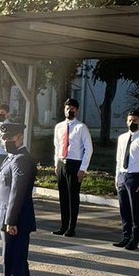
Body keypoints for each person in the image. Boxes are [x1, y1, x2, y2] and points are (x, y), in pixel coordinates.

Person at [0, 122, 37, 276]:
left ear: (19, 137)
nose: (6, 142)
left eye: (9, 138)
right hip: (8, 219)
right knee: (12, 262)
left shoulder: (21, 159)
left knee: (15, 264)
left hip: (15, 221)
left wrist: (11, 221)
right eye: (3, 139)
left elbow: (18, 193)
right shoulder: (13, 157)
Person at [113, 108, 139, 250]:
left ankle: (134, 239)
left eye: (135, 120)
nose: (132, 123)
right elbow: (119, 159)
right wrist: (117, 177)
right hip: (123, 176)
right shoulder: (122, 138)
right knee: (124, 209)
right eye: (130, 120)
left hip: (135, 177)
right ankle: (125, 236)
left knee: (135, 209)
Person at [52, 97, 93, 237]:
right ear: (64, 109)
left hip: (74, 163)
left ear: (77, 110)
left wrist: (83, 168)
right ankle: (63, 226)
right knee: (63, 196)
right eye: (67, 108)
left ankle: (71, 227)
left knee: (72, 197)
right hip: (61, 163)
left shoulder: (81, 127)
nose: (69, 111)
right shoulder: (59, 127)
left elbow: (89, 149)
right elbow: (57, 146)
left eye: (72, 109)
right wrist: (56, 164)